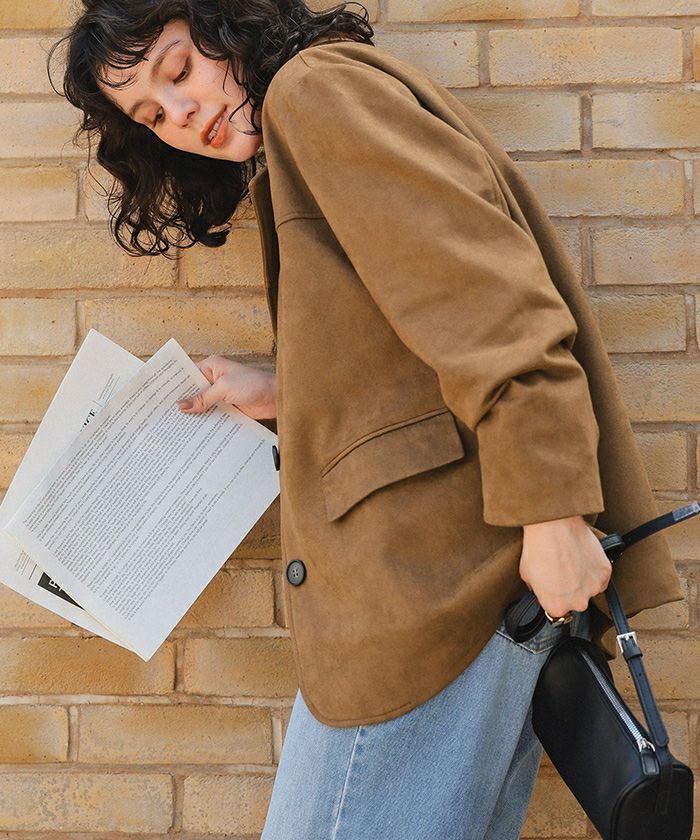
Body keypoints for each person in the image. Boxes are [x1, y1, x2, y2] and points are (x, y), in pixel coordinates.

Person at [50, 2, 684, 838]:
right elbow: (417, 348)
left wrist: (555, 513)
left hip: (427, 593)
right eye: (152, 116)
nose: (183, 113)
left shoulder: (314, 94)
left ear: (228, 24)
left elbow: (494, 308)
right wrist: (285, 390)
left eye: (179, 71)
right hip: (459, 582)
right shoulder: (319, 108)